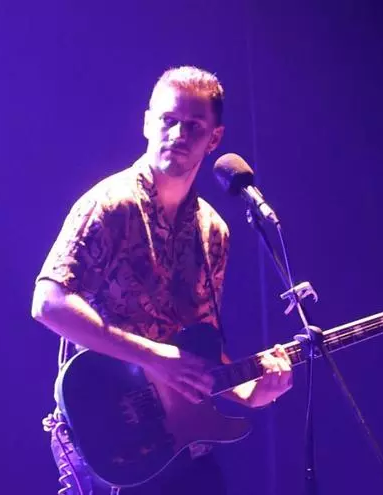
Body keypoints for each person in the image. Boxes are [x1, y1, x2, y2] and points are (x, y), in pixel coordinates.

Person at [31, 66, 293, 494]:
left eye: (194, 126)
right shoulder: (110, 205)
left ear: (214, 138)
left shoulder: (213, 231)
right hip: (112, 439)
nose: (178, 134)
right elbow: (48, 303)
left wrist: (251, 392)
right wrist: (153, 357)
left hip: (181, 443)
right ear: (147, 123)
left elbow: (199, 352)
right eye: (169, 120)